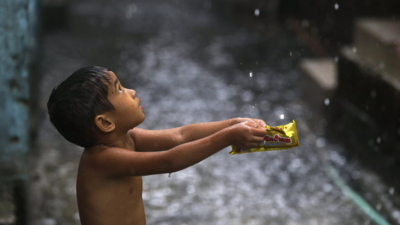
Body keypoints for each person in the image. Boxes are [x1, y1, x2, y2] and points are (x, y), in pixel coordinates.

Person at [47, 66, 267, 225]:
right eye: (121, 89)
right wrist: (228, 137)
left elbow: (181, 135)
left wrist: (233, 123)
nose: (132, 91)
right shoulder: (102, 160)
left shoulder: (128, 138)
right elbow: (168, 160)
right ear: (106, 123)